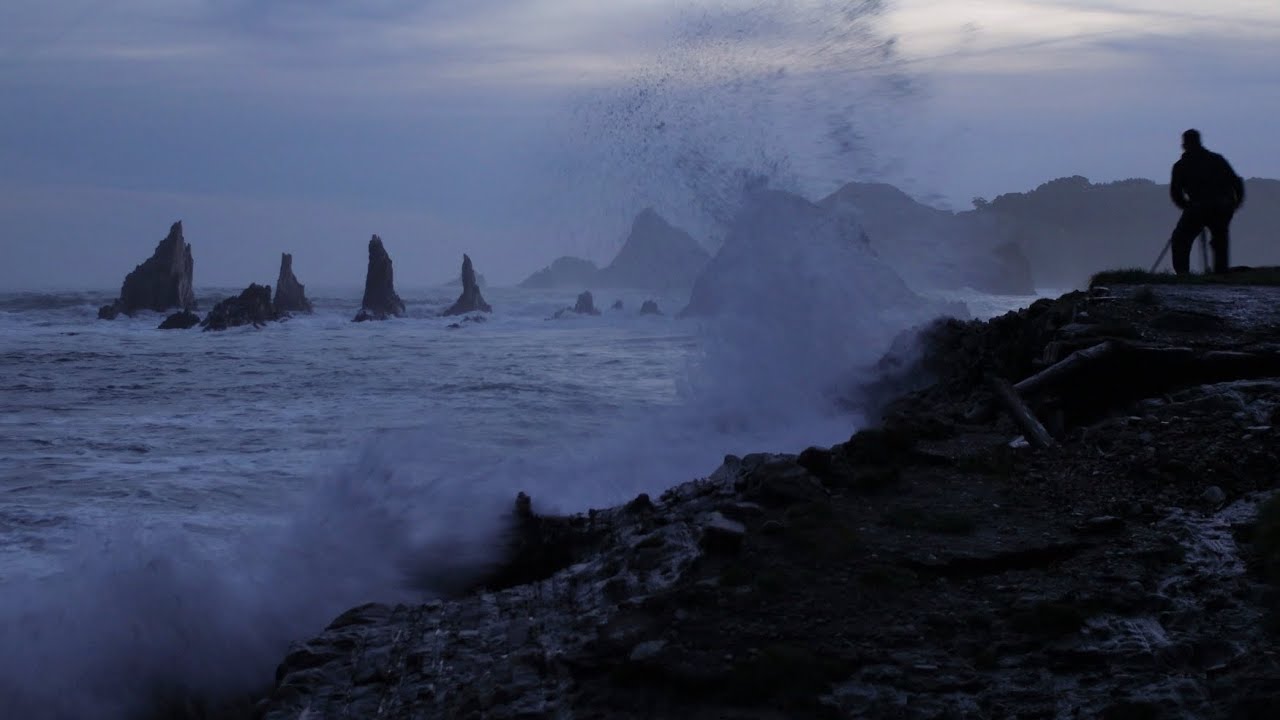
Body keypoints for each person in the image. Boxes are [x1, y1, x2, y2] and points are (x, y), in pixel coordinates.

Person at [1168, 129, 1245, 274]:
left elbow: (1176, 194)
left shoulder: (1181, 166)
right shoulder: (1217, 160)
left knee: (1180, 240)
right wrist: (1235, 203)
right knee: (1219, 240)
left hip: (1201, 208)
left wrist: (1188, 207)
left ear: (1184, 145)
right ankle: (1220, 273)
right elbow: (1236, 182)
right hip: (1221, 207)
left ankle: (1183, 275)